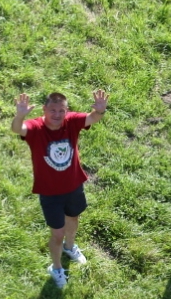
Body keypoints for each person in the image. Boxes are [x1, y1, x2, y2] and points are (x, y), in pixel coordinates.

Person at [11, 90, 107, 288]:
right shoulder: (36, 127)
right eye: (52, 110)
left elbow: (92, 118)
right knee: (57, 233)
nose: (57, 114)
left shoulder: (71, 121)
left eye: (61, 110)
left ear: (67, 111)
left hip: (73, 185)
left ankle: (70, 248)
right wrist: (20, 115)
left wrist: (100, 111)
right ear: (44, 110)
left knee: (73, 218)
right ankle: (56, 268)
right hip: (50, 193)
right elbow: (17, 129)